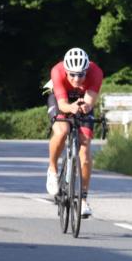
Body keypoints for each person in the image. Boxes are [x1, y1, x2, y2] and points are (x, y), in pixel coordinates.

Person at [46, 47, 104, 218]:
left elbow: (89, 102)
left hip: (82, 100)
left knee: (84, 150)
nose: (77, 79)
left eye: (81, 75)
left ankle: (83, 199)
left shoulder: (96, 72)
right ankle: (52, 169)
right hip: (61, 100)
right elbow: (63, 104)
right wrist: (70, 108)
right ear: (66, 71)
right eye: (72, 74)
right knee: (62, 131)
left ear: (87, 71)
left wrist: (84, 107)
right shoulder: (57, 71)